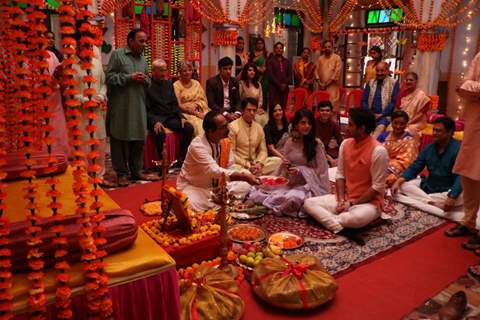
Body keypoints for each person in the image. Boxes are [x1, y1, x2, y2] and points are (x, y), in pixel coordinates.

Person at [304, 109, 389, 245]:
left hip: (368, 204)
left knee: (354, 218)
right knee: (308, 203)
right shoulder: (345, 144)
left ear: (362, 128)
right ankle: (341, 228)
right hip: (346, 199)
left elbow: (377, 187)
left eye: (350, 124)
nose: (347, 128)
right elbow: (340, 174)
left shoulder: (379, 151)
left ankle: (333, 221)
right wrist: (341, 200)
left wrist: (352, 204)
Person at [248, 109, 330, 217]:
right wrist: (286, 168)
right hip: (290, 182)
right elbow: (285, 165)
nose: (307, 126)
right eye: (303, 123)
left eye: (309, 123)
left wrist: (301, 170)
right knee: (258, 194)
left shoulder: (316, 144)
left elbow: (321, 171)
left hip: (307, 185)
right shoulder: (290, 142)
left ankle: (282, 206)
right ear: (296, 125)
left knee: (293, 199)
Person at [177, 111, 260, 211]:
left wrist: (245, 174)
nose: (228, 129)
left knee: (245, 185)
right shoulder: (197, 146)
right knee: (188, 202)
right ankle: (225, 204)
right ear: (210, 131)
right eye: (223, 127)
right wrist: (243, 177)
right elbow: (214, 171)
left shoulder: (224, 142)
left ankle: (222, 204)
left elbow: (230, 166)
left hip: (218, 187)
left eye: (227, 124)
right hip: (195, 187)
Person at [391, 117, 463, 218]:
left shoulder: (459, 150)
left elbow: (461, 176)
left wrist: (452, 196)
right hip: (430, 186)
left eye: (438, 131)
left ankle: (424, 201)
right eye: (434, 130)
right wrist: (399, 181)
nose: (434, 133)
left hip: (448, 189)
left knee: (464, 195)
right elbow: (416, 166)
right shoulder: (429, 148)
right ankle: (432, 203)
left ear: (449, 132)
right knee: (404, 185)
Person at [106, 28, 152, 186]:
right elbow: (109, 78)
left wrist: (145, 80)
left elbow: (149, 82)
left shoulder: (144, 60)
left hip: (138, 105)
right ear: (131, 41)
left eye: (145, 41)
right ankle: (121, 173)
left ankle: (136, 171)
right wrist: (128, 77)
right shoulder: (118, 55)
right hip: (121, 106)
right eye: (141, 41)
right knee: (119, 138)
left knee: (139, 138)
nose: (144, 44)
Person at [445, 51, 480, 253]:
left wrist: (471, 89)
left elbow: (468, 87)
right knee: (468, 174)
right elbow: (464, 85)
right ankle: (468, 221)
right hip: (474, 123)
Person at [72, 39, 111, 186]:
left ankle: (99, 177)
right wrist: (84, 99)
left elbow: (103, 84)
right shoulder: (72, 66)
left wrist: (100, 96)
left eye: (90, 46)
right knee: (83, 145)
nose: (88, 48)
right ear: (77, 47)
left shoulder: (97, 64)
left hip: (97, 110)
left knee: (100, 143)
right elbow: (70, 92)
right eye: (85, 46)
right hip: (81, 112)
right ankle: (84, 178)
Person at [146, 59, 194, 167]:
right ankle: (162, 163)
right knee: (160, 132)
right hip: (156, 118)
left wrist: (180, 117)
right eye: (161, 71)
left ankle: (181, 159)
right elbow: (146, 109)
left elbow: (174, 103)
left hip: (169, 117)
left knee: (188, 128)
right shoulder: (147, 86)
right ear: (153, 71)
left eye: (165, 70)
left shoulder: (168, 83)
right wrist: (154, 122)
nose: (164, 73)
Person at [229, 98, 282, 176]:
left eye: (254, 110)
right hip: (240, 165)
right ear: (242, 110)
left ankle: (255, 175)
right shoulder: (233, 127)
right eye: (249, 110)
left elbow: (263, 150)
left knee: (278, 161)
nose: (252, 113)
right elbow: (231, 153)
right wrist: (248, 165)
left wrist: (259, 163)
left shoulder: (259, 127)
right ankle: (255, 176)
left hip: (255, 163)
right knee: (236, 169)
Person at [377, 111, 418, 188]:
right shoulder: (384, 136)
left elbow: (406, 162)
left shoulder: (409, 141)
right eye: (395, 123)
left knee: (388, 179)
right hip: (380, 165)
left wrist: (389, 168)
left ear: (406, 124)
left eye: (402, 124)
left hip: (397, 171)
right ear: (391, 122)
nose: (398, 126)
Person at [361, 61, 400, 138]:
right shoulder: (371, 82)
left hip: (385, 117)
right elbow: (363, 100)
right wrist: (369, 113)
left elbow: (393, 102)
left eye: (382, 71)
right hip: (370, 115)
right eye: (377, 71)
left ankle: (371, 147)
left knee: (378, 131)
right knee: (361, 132)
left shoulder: (393, 83)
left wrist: (382, 114)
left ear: (387, 71)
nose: (379, 73)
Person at [173, 60, 210, 136]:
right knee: (200, 126)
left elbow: (204, 100)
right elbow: (178, 105)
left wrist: (197, 105)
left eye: (190, 70)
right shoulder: (176, 85)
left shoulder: (196, 83)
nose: (188, 73)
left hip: (201, 109)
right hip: (186, 113)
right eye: (184, 71)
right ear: (180, 72)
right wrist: (195, 113)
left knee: (213, 121)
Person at [46, 48, 69, 157]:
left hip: (55, 103)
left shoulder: (51, 55)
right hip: (37, 107)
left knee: (58, 135)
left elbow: (60, 78)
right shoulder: (25, 59)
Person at [394, 72, 430, 136]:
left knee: (407, 130)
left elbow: (420, 114)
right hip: (402, 120)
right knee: (390, 128)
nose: (408, 82)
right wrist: (396, 120)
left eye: (411, 80)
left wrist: (407, 122)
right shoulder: (402, 94)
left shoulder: (422, 96)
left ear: (416, 82)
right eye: (407, 80)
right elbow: (397, 109)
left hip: (416, 122)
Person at [206, 57, 241, 122]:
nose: (228, 71)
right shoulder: (211, 82)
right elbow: (211, 104)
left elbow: (238, 101)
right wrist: (225, 113)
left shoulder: (234, 81)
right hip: (219, 112)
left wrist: (237, 113)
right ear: (219, 70)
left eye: (230, 68)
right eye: (225, 69)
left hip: (233, 112)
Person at [315, 40, 343, 113]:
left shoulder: (337, 58)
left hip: (332, 88)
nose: (327, 48)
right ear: (323, 48)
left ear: (332, 47)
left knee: (331, 109)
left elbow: (336, 73)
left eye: (329, 47)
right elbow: (316, 71)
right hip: (321, 87)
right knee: (321, 108)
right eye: (325, 47)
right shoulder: (320, 58)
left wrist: (326, 84)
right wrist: (319, 82)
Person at [315, 100, 342, 167]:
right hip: (315, 150)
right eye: (322, 110)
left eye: (327, 110)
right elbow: (315, 144)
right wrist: (330, 159)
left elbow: (340, 141)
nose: (325, 112)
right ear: (318, 111)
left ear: (331, 112)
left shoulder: (333, 124)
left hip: (326, 150)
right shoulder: (313, 123)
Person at [267, 42, 292, 109]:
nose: (279, 49)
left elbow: (289, 74)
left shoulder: (287, 61)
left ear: (283, 50)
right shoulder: (271, 61)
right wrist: (279, 84)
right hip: (274, 88)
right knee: (273, 107)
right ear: (274, 49)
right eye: (277, 48)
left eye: (281, 48)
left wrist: (285, 84)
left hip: (284, 89)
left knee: (283, 107)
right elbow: (270, 75)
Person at [250, 37, 269, 107]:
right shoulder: (252, 54)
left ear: (264, 44)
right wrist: (257, 67)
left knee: (263, 95)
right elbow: (249, 65)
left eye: (261, 43)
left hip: (264, 78)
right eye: (258, 43)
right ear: (255, 44)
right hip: (253, 76)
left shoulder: (266, 54)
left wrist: (259, 68)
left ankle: (262, 111)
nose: (260, 45)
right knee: (253, 94)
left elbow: (265, 68)